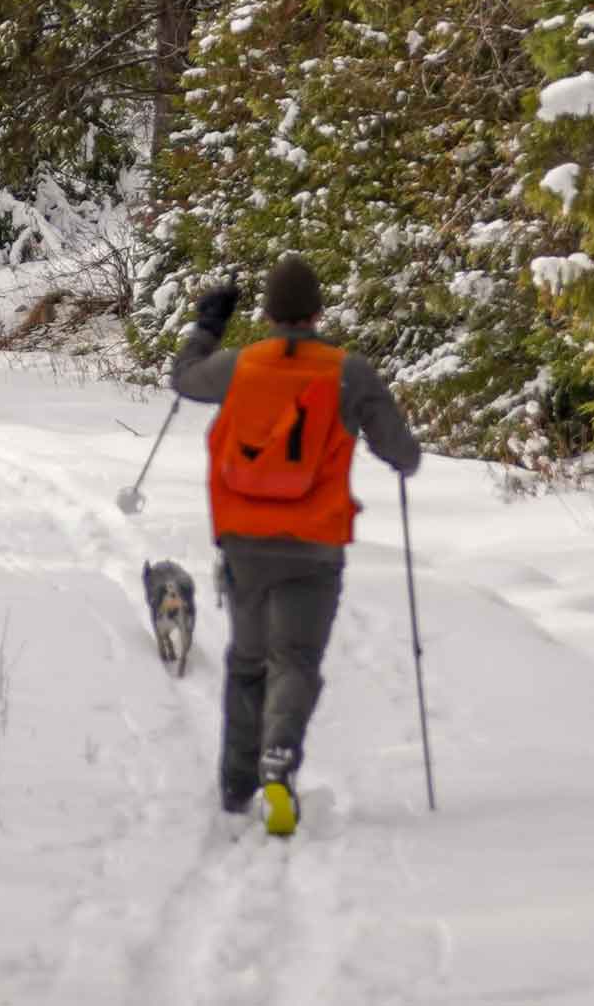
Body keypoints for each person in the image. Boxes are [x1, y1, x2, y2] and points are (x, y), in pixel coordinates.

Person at [173, 254, 419, 834]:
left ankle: (237, 783)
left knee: (248, 659)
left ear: (267, 312)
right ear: (316, 311)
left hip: (244, 541)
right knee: (297, 661)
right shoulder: (347, 373)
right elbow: (402, 454)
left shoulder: (239, 365)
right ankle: (279, 755)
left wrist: (207, 327)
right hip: (313, 545)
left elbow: (184, 379)